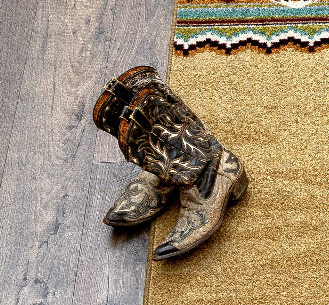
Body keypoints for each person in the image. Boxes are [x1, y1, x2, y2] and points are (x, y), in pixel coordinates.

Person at [92, 65, 247, 260]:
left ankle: (208, 172)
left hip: (197, 165)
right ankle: (167, 168)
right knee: (126, 103)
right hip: (173, 160)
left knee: (147, 106)